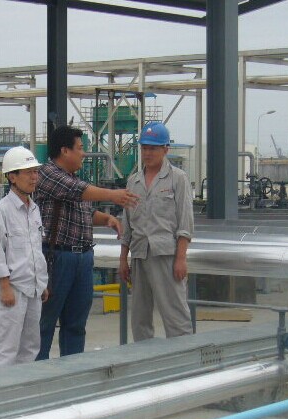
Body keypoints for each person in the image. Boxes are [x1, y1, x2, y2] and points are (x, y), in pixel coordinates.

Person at [34, 125, 140, 360]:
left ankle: (72, 370)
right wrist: (113, 195)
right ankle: (38, 374)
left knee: (76, 324)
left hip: (82, 258)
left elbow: (84, 212)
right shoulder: (47, 174)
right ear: (65, 151)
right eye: (80, 148)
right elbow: (77, 191)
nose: (84, 154)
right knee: (45, 323)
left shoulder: (74, 180)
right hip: (56, 258)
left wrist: (107, 219)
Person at [119, 122, 194, 342]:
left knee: (175, 315)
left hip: (166, 256)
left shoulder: (177, 178)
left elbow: (185, 222)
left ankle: (183, 358)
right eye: (144, 148)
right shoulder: (133, 181)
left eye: (153, 148)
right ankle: (145, 358)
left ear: (165, 149)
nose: (147, 153)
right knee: (139, 317)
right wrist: (123, 259)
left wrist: (181, 258)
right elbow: (127, 225)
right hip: (139, 254)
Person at [0, 146, 49, 367]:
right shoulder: (1, 211)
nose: (34, 177)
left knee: (30, 347)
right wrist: (4, 287)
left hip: (32, 288)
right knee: (5, 350)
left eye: (36, 172)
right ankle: (0, 388)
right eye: (28, 172)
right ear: (12, 177)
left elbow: (35, 248)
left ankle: (23, 387)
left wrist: (41, 283)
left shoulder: (34, 209)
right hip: (12, 289)